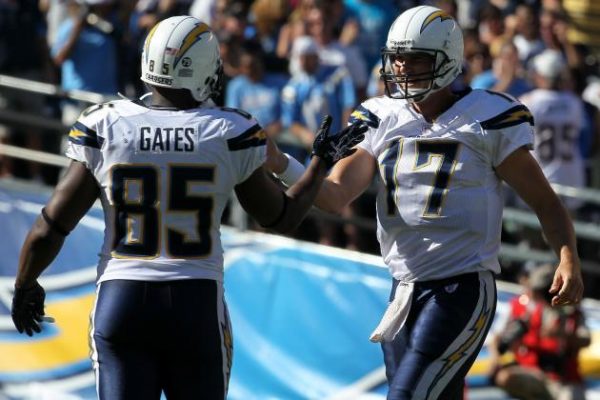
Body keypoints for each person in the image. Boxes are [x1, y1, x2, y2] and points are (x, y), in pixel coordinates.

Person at [10, 16, 366, 400]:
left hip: (122, 301)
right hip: (195, 304)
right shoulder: (228, 130)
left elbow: (51, 225)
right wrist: (317, 165)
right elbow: (282, 217)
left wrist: (25, 283)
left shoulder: (107, 124)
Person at [266, 5, 584, 399]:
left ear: (448, 59)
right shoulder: (381, 116)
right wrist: (281, 163)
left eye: (415, 58)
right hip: (403, 289)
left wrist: (567, 256)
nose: (401, 68)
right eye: (396, 58)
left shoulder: (486, 118)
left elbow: (545, 202)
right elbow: (334, 196)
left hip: (461, 287)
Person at [489, 264, 590, 400]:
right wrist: (497, 358)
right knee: (506, 377)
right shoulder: (529, 311)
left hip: (565, 378)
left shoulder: (573, 313)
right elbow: (500, 339)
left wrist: (562, 335)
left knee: (569, 397)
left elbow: (586, 340)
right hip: (536, 373)